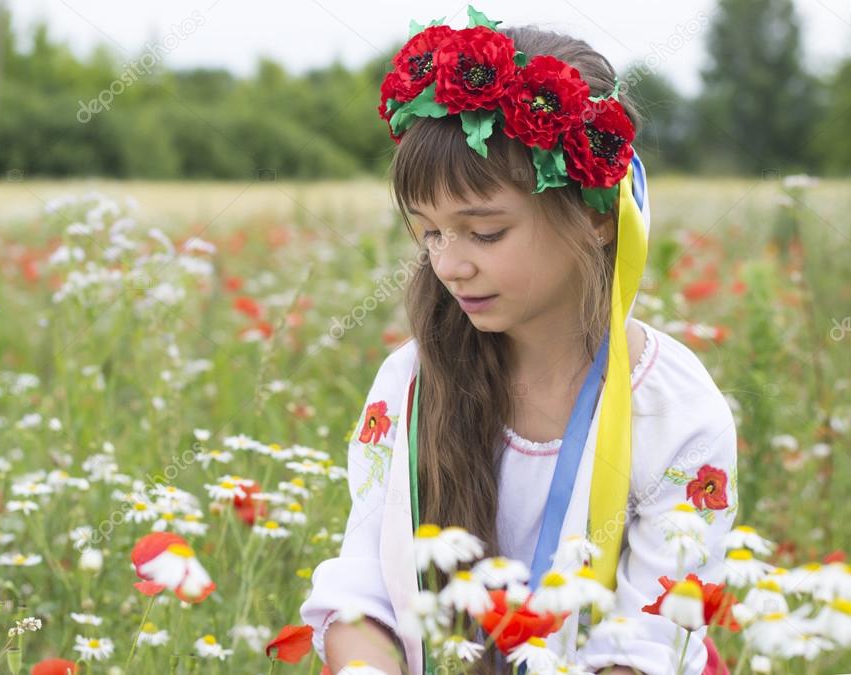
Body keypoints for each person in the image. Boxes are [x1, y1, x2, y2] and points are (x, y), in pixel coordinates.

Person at [299, 9, 738, 675]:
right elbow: (365, 587)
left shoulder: (673, 411)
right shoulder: (411, 383)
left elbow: (652, 640)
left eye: (484, 232)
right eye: (429, 232)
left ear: (594, 216)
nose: (449, 265)